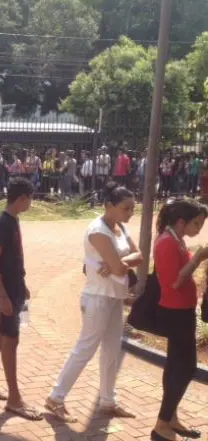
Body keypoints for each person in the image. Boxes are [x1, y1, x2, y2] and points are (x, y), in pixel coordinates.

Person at [46, 182, 141, 422]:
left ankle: (108, 401)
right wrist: (120, 264)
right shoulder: (97, 230)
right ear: (109, 206)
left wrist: (120, 263)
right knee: (85, 349)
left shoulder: (119, 227)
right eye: (125, 208)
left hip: (114, 297)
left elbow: (138, 256)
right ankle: (56, 397)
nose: (129, 213)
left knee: (111, 351)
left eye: (132, 209)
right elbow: (121, 268)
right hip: (97, 297)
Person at [0, 177, 42, 420]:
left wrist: (22, 286)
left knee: (4, 332)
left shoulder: (13, 220)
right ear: (22, 198)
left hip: (15, 288)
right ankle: (14, 399)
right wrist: (3, 296)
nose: (31, 203)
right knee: (11, 338)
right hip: (5, 291)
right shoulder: (1, 223)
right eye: (30, 198)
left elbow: (13, 259)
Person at [150, 199, 208, 441]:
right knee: (185, 368)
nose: (199, 229)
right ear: (181, 221)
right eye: (197, 223)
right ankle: (162, 422)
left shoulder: (176, 239)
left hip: (182, 310)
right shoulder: (167, 242)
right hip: (175, 312)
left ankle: (170, 417)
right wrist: (199, 259)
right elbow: (174, 282)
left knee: (175, 366)